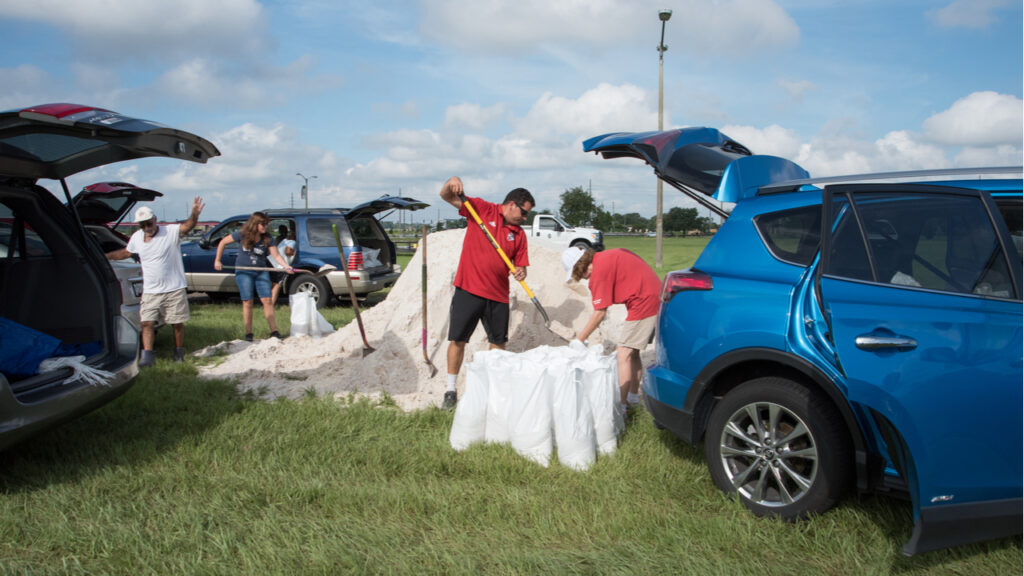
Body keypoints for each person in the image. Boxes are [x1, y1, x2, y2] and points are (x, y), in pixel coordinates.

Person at [439, 176, 535, 409]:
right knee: (458, 339)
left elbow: (520, 265)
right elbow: (446, 196)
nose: (524, 218)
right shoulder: (481, 210)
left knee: (498, 344)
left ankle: (491, 391)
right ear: (512, 204)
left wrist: (521, 273)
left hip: (498, 295)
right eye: (523, 213)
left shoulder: (519, 235)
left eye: (527, 215)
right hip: (469, 289)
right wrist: (451, 182)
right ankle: (450, 390)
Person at [106, 197, 205, 366]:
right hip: (151, 290)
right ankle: (147, 358)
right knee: (146, 323)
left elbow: (187, 227)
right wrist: (104, 257)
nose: (146, 228)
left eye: (148, 224)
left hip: (174, 287)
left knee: (176, 323)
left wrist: (194, 215)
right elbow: (126, 253)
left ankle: (179, 354)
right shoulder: (137, 237)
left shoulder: (171, 232)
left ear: (155, 220)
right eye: (142, 225)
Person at [563, 246, 661, 412]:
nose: (583, 279)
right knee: (633, 351)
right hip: (653, 294)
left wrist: (580, 339)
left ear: (579, 267)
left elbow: (600, 312)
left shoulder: (599, 274)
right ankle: (633, 398)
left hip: (644, 301)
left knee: (623, 352)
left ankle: (621, 407)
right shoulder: (604, 257)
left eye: (578, 274)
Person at [214, 211, 295, 341]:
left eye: (267, 224)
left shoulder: (268, 238)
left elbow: (277, 256)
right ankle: (249, 334)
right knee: (247, 301)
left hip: (261, 270)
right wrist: (217, 260)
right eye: (263, 224)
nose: (265, 226)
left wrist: (286, 266)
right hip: (244, 271)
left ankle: (274, 331)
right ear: (255, 223)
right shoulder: (242, 234)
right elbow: (223, 242)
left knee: (267, 300)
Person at [270, 230, 297, 306]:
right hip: (280, 266)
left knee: (272, 284)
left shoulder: (284, 240)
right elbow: (287, 251)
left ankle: (268, 304)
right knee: (277, 285)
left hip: (272, 262)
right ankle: (271, 305)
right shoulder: (292, 242)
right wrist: (295, 252)